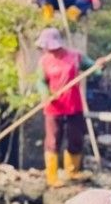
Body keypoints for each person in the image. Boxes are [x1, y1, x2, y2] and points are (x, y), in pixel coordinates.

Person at [35, 27, 97, 187]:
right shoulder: (44, 61)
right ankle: (52, 177)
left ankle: (72, 172)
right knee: (53, 140)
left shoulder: (75, 57)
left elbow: (94, 71)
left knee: (75, 139)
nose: (50, 51)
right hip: (54, 107)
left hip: (74, 106)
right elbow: (40, 82)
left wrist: (99, 66)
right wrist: (46, 95)